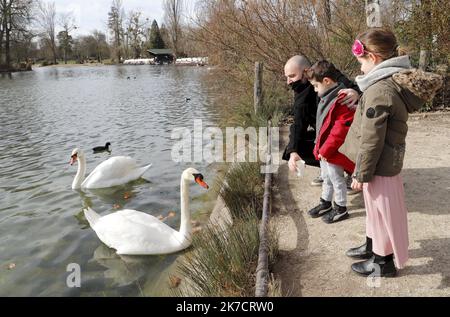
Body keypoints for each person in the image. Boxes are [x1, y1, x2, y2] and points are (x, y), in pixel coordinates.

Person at [340, 29, 443, 277]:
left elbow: (372, 139)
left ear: (374, 58)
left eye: (361, 62)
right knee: (376, 212)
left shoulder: (379, 91)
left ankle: (382, 262)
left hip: (379, 166)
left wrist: (361, 173)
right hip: (383, 164)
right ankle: (374, 247)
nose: (360, 69)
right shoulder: (384, 85)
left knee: (383, 214)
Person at [282, 55, 360, 188]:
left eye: (292, 76)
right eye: (287, 77)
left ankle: (354, 171)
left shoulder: (327, 73)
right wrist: (293, 151)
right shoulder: (300, 91)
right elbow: (298, 123)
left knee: (330, 144)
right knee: (295, 146)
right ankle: (329, 170)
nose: (289, 81)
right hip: (326, 132)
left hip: (349, 132)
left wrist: (356, 92)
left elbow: (357, 89)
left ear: (305, 72)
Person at [305, 60, 356, 224]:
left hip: (334, 151)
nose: (314, 90)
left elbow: (340, 130)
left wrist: (326, 149)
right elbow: (322, 125)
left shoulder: (341, 100)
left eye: (315, 86)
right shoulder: (326, 97)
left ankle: (341, 207)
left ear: (326, 81)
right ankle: (325, 202)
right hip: (325, 150)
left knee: (337, 179)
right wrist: (319, 147)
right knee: (326, 177)